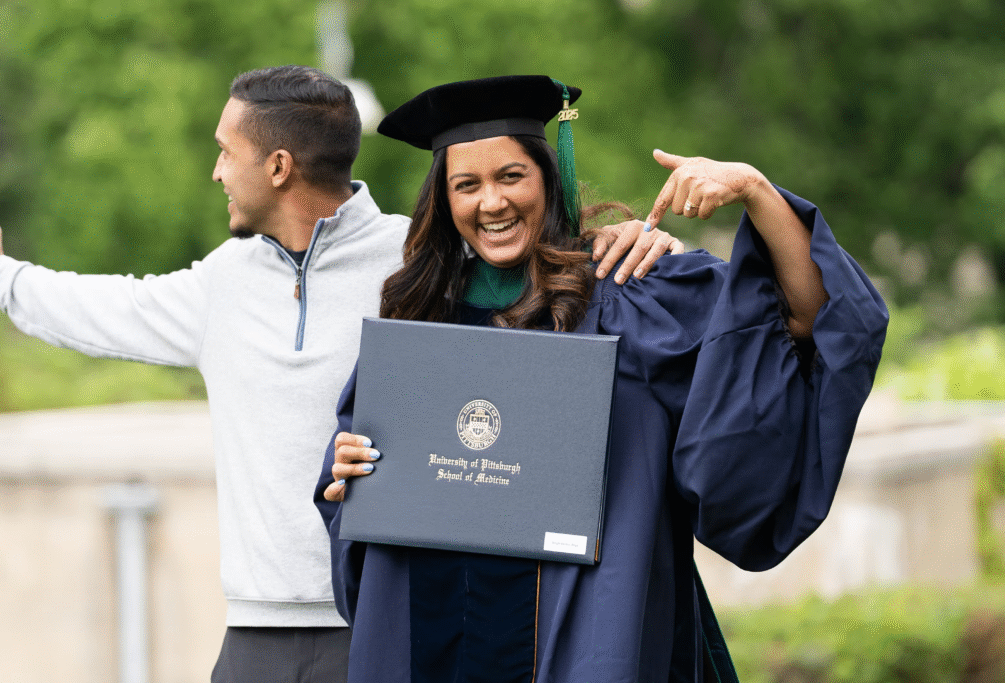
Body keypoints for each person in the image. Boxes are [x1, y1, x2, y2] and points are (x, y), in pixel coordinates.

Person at [0, 66, 682, 683]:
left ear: (278, 164)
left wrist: (637, 242)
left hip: (384, 623)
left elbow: (540, 268)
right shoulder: (221, 283)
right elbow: (108, 307)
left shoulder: (422, 264)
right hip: (253, 631)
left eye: (227, 152)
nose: (217, 170)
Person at [316, 75, 889, 683]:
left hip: (597, 630)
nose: (492, 202)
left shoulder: (633, 290)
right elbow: (365, 471)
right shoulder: (422, 318)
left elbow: (809, 318)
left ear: (548, 177)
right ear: (445, 199)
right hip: (436, 629)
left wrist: (754, 189)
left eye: (512, 176)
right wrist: (351, 464)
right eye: (468, 184)